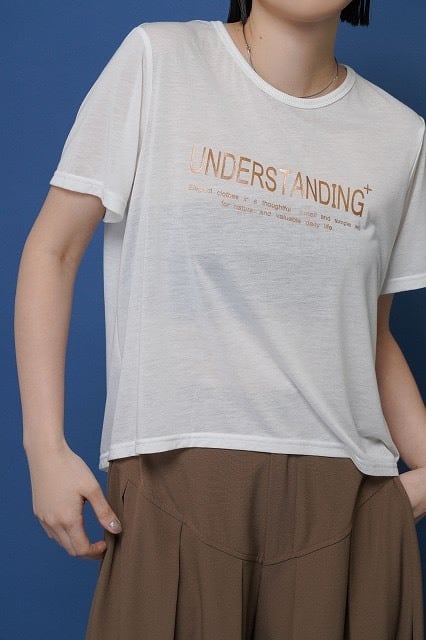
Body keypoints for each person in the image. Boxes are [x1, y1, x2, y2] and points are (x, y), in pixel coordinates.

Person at [14, 0, 426, 637]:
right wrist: (44, 447)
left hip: (345, 496)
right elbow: (54, 250)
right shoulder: (160, 59)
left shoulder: (400, 134)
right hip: (176, 478)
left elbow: (368, 330)